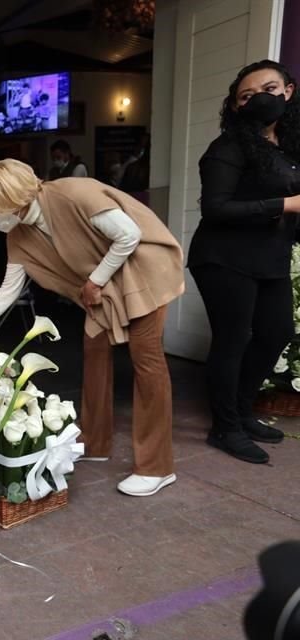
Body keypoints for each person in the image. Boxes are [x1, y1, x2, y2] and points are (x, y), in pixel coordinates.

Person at [0, 159, 185, 497]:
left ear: (14, 199)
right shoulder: (19, 233)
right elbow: (9, 288)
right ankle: (95, 441)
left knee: (146, 363)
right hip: (102, 288)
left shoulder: (75, 193)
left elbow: (129, 235)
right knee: (94, 349)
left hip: (143, 271)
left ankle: (156, 467)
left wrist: (95, 280)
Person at [188, 60, 300, 464]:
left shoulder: (287, 151)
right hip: (223, 257)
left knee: (276, 332)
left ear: (288, 92)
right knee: (233, 339)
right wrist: (285, 204)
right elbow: (216, 209)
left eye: (269, 90)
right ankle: (225, 427)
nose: (259, 100)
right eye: (247, 96)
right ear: (235, 107)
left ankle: (242, 409)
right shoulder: (227, 148)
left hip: (268, 257)